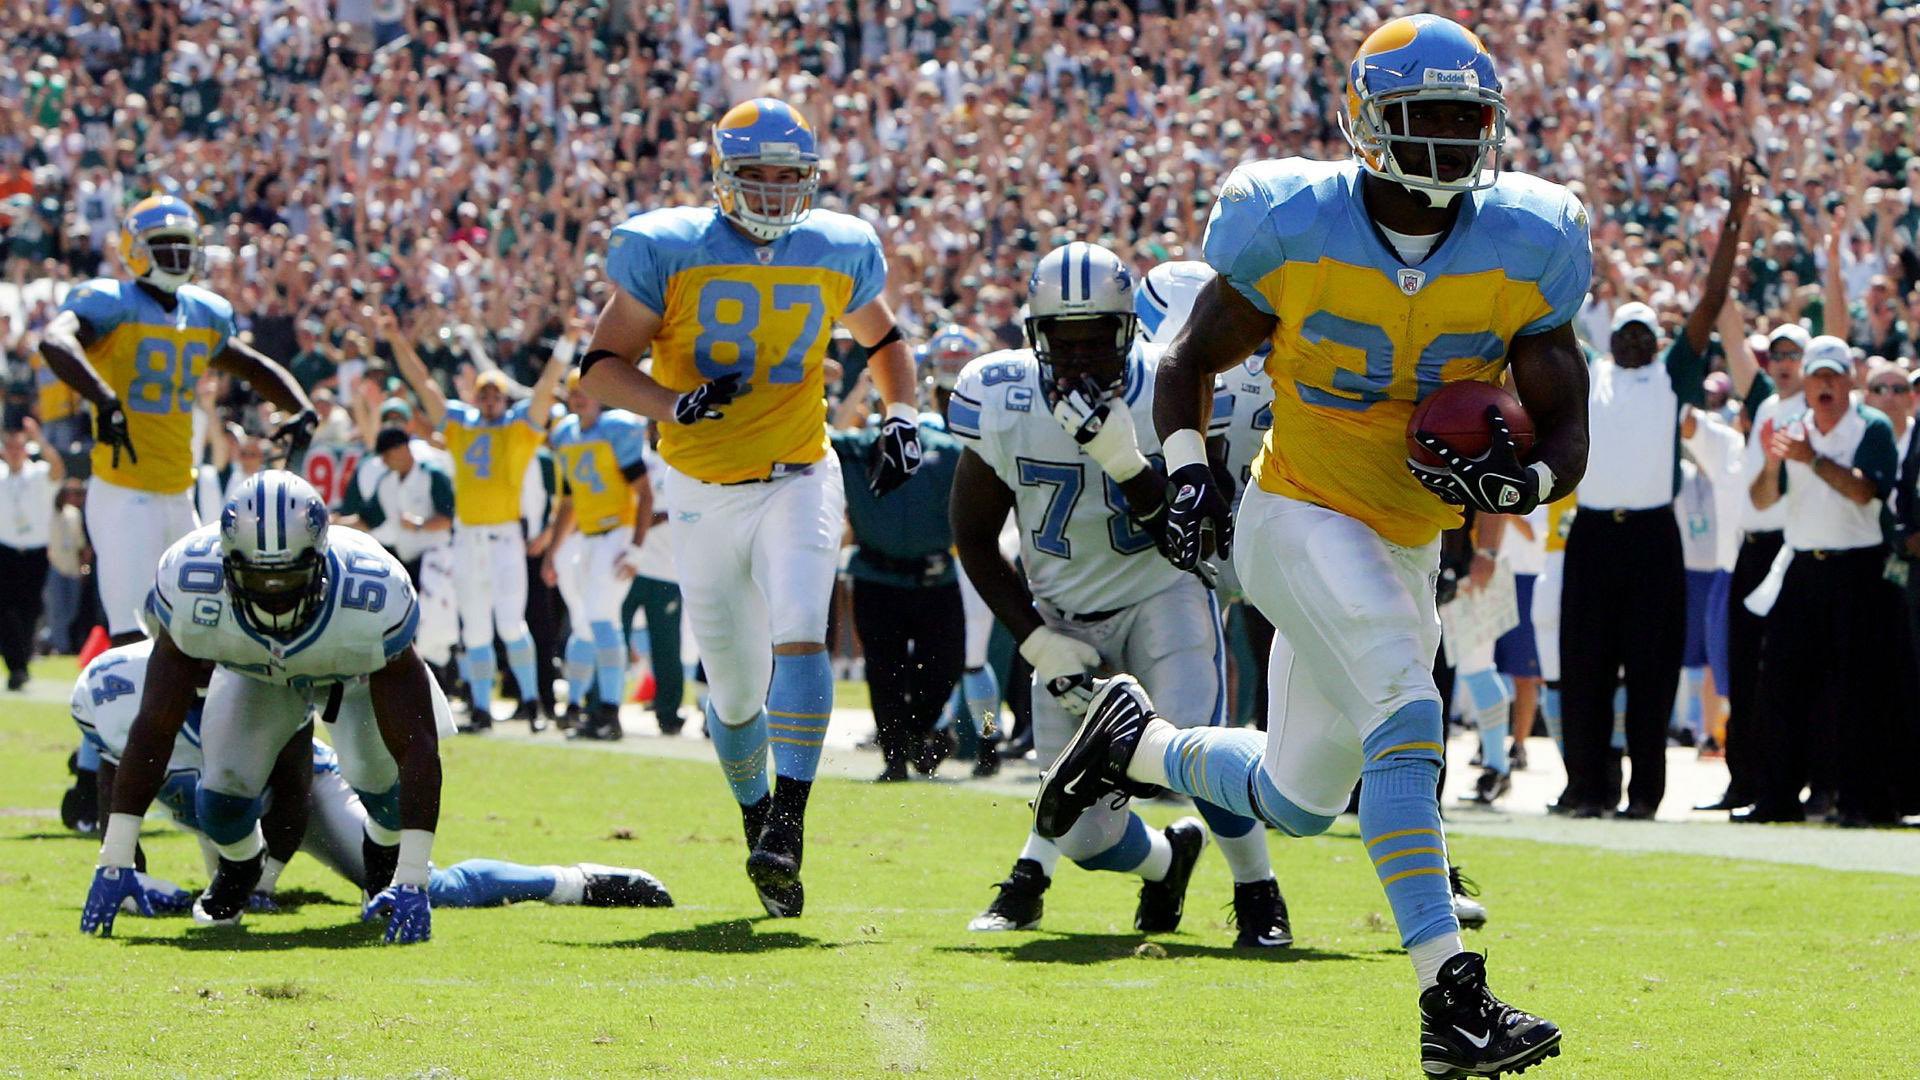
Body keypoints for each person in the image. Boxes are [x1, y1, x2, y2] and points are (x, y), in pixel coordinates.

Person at [1033, 18, 1588, 1076]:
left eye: (1467, 119)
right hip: (1297, 512)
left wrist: (1522, 479)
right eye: (1425, 119)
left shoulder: (1532, 237)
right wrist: (1191, 467)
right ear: (1368, 120)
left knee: (1298, 797)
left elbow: (1566, 434)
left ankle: (1131, 743)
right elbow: (1191, 356)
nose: (1451, 141)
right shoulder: (1288, 219)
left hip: (1403, 540)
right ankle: (1451, 1005)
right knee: (1410, 712)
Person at [576, 98, 924, 919]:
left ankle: (790, 830)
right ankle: (757, 821)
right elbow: (599, 367)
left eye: (787, 175)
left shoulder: (838, 246)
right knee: (732, 693)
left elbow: (884, 342)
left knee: (801, 625)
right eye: (756, 174)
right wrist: (673, 404)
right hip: (698, 489)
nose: (772, 191)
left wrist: (901, 414)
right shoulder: (668, 247)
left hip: (799, 471)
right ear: (721, 175)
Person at [949, 242, 1289, 948]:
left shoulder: (1167, 385)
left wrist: (1127, 463)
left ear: (1128, 329)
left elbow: (1192, 539)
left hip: (1163, 593)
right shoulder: (1002, 397)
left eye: (1096, 339)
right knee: (1081, 836)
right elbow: (974, 537)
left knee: (1195, 751)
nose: (1079, 360)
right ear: (1034, 338)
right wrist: (1038, 641)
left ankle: (1259, 890)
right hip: (1062, 618)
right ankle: (1169, 861)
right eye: (1061, 342)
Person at [79, 471, 445, 944]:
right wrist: (116, 859)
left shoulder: (371, 590)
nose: (274, 592)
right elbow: (153, 728)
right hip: (254, 674)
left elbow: (419, 746)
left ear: (321, 560)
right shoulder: (191, 580)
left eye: (289, 576)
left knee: (381, 784)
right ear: (226, 562)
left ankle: (386, 868)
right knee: (222, 793)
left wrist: (413, 876)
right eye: (257, 576)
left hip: (351, 676)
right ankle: (239, 866)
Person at [71, 641, 672, 917]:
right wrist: (128, 870)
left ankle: (572, 881)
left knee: (421, 888)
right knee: (219, 833)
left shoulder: (255, 675)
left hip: (300, 797)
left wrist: (264, 881)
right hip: (226, 816)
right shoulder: (109, 689)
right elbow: (115, 773)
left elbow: (294, 785)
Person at [36, 195, 315, 646]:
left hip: (178, 492)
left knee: (202, 634)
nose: (178, 255)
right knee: (133, 635)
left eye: (185, 245)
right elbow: (54, 340)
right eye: (165, 244)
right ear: (136, 249)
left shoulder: (203, 312)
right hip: (124, 490)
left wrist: (299, 405)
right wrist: (104, 399)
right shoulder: (113, 301)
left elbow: (249, 364)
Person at [1560, 164, 1748, 819]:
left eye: (1646, 333)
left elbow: (1711, 298)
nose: (1636, 341)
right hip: (1591, 536)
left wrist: (1732, 227)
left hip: (1651, 536)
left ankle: (1645, 796)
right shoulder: (1592, 373)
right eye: (1626, 332)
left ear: (1659, 341)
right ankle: (1587, 789)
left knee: (1651, 672)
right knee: (1583, 667)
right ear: (1611, 336)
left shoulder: (1672, 377)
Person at [1744, 338, 1906, 826]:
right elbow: (1761, 500)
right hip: (1803, 566)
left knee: (1860, 690)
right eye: (1818, 378)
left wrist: (1811, 459)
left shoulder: (1871, 428)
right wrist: (1774, 463)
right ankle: (1777, 798)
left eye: (1835, 377)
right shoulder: (1795, 429)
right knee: (1781, 686)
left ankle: (1861, 801)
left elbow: (1864, 490)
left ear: (1850, 380)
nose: (1826, 386)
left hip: (1857, 568)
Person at [384, 309, 567, 733]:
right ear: (475, 398)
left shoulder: (517, 431)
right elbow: (424, 385)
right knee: (477, 626)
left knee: (510, 622)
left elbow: (543, 390)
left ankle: (533, 701)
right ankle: (482, 708)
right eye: (482, 394)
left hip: (505, 536)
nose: (487, 401)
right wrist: (396, 339)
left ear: (504, 400)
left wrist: (567, 345)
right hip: (467, 536)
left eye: (494, 395)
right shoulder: (460, 426)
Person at [833, 375, 967, 782]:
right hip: (878, 576)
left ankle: (922, 730)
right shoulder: (859, 448)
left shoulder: (947, 451)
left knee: (945, 666)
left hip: (935, 576)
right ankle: (895, 756)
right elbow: (828, 435)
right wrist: (857, 391)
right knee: (883, 669)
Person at [543, 373, 652, 741]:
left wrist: (636, 548)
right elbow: (570, 503)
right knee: (588, 624)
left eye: (585, 392)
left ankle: (609, 711)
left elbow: (646, 495)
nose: (579, 399)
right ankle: (589, 708)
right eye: (573, 393)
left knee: (602, 621)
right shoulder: (566, 435)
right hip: (588, 538)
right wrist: (553, 551)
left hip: (616, 533)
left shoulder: (616, 429)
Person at [335, 428, 460, 693]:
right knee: (410, 624)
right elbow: (368, 519)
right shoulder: (387, 483)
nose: (389, 462)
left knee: (438, 622)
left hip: (437, 558)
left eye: (390, 455)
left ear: (402, 449)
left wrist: (419, 525)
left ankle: (453, 682)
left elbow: (448, 517)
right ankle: (424, 683)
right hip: (408, 562)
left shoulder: (432, 475)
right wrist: (336, 523)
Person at [0, 417, 62, 688]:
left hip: (35, 553)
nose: (14, 453)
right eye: (9, 448)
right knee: (4, 610)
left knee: (29, 610)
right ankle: (16, 665)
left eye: (19, 447)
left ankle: (21, 662)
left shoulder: (38, 474)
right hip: (5, 551)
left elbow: (58, 469)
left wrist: (40, 439)